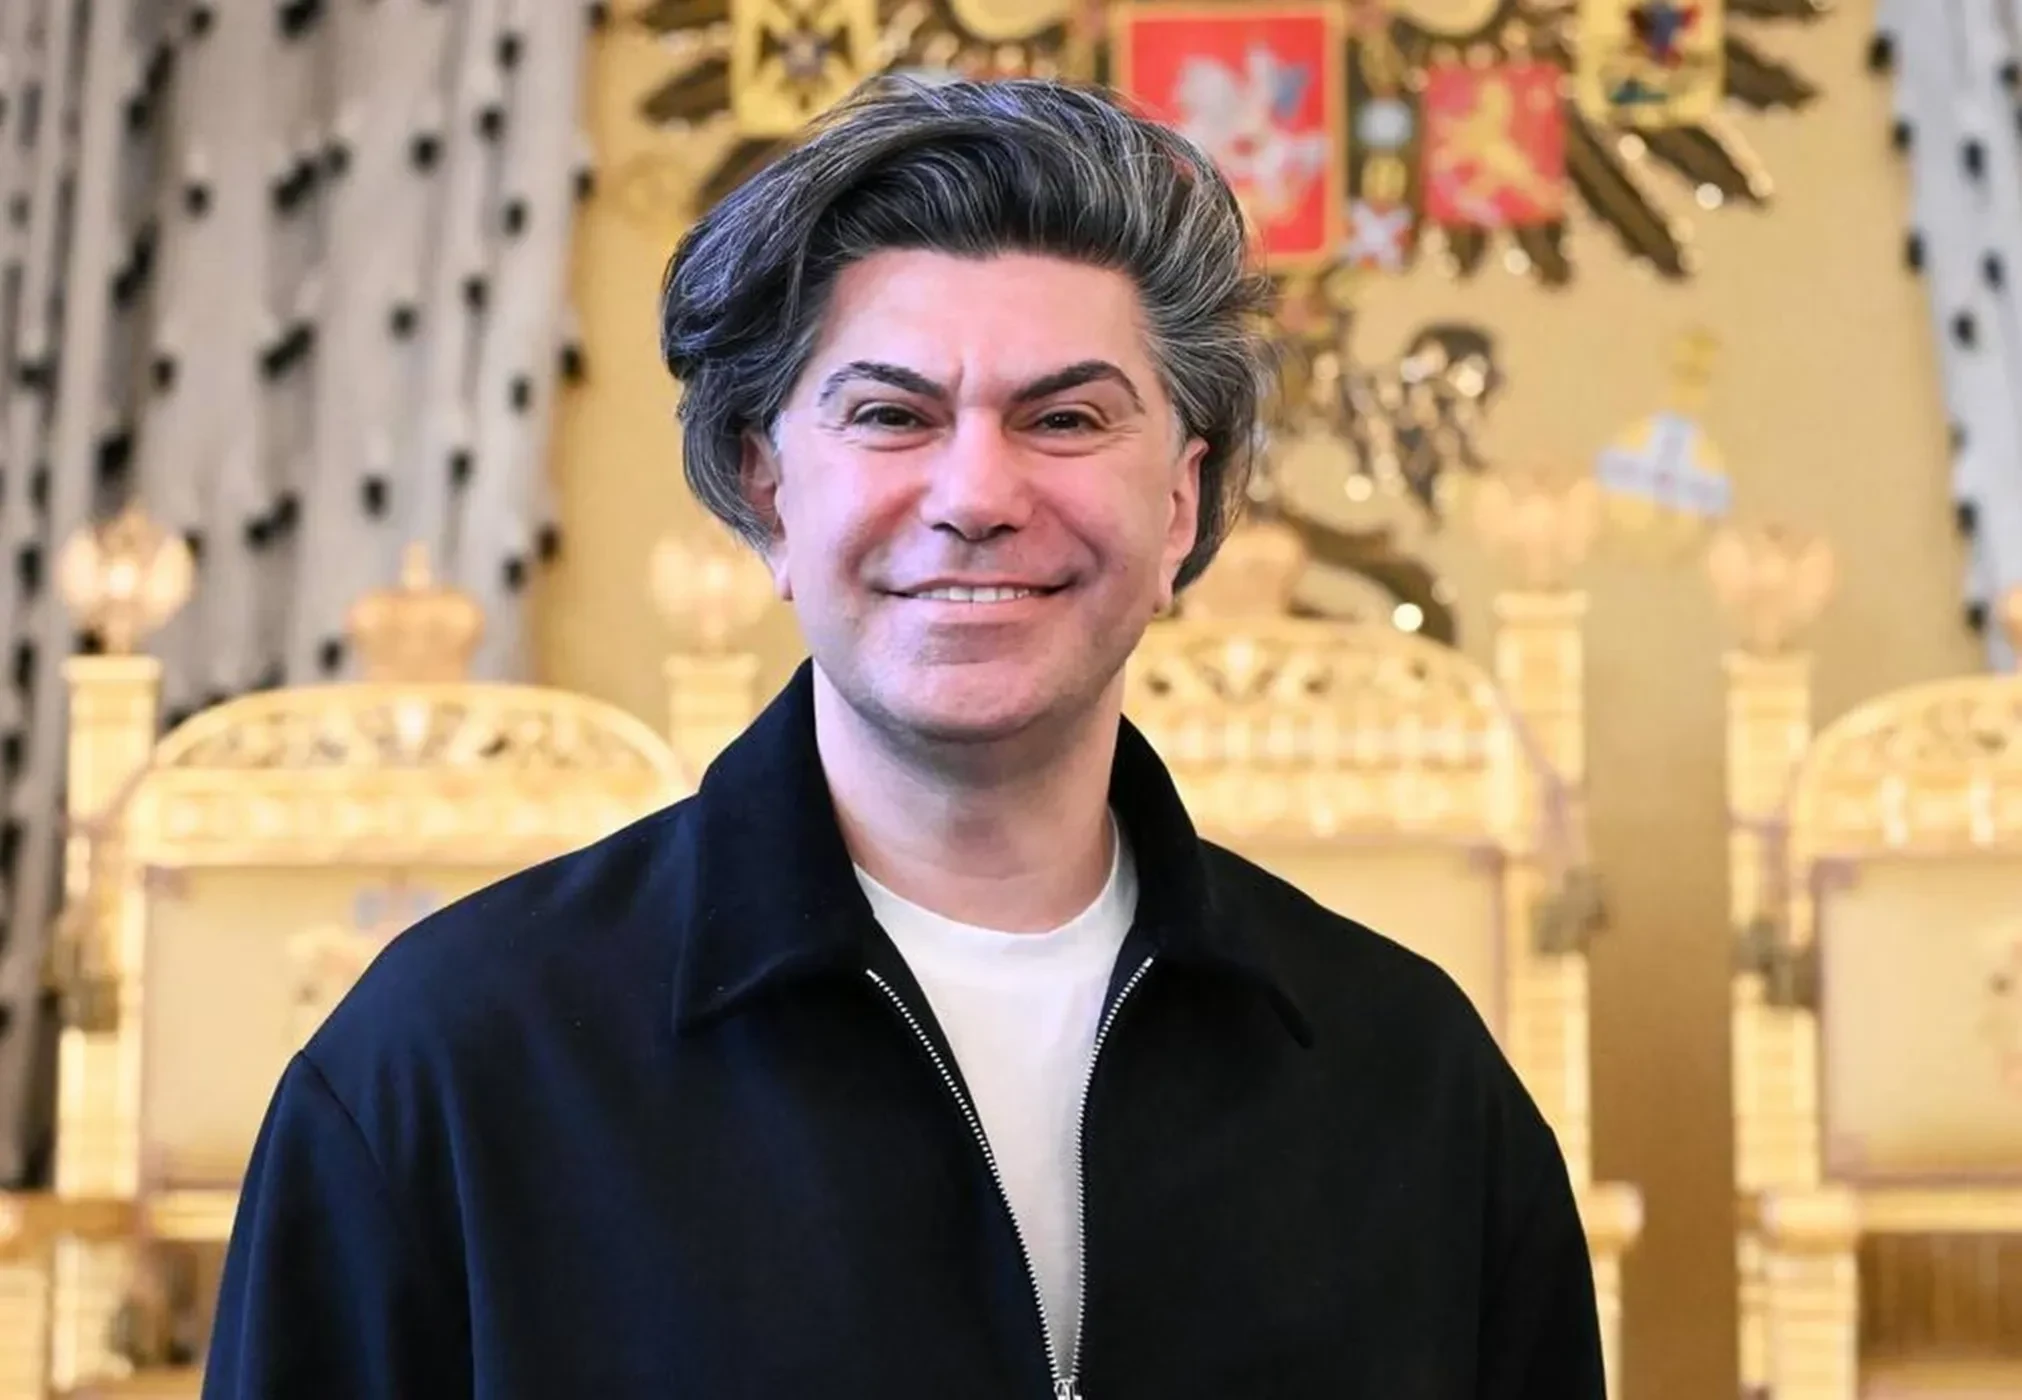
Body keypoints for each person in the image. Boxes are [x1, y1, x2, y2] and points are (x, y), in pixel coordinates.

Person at [205, 76, 1604, 1399]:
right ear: (767, 492)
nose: (975, 494)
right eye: (889, 415)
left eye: (1066, 417)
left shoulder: (1411, 1079)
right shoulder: (449, 1064)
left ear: (1180, 506)